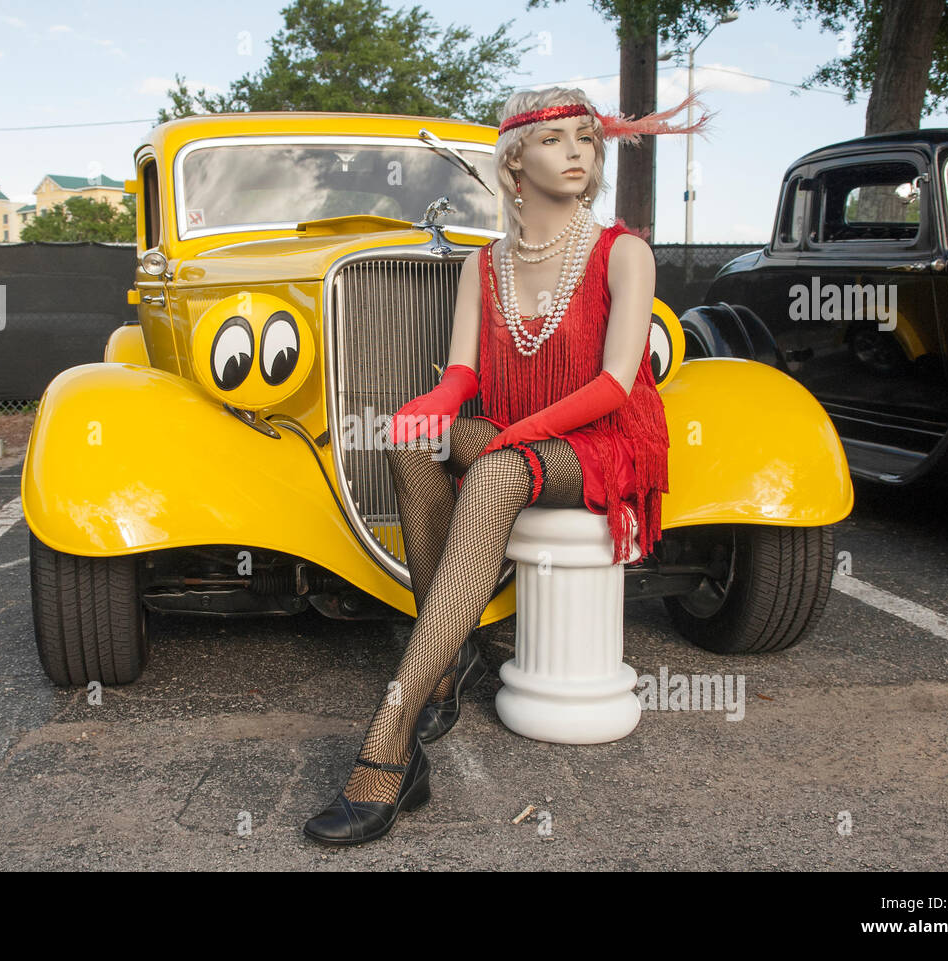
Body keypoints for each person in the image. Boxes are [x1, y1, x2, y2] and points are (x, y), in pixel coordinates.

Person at [303, 85, 713, 845]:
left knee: (493, 470)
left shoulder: (624, 251)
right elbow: (463, 374)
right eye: (556, 140)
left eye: (587, 139)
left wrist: (511, 436)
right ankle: (448, 659)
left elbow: (616, 383)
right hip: (523, 431)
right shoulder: (483, 265)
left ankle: (391, 736)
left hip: (598, 439)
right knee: (411, 442)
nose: (578, 152)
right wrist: (432, 403)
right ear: (515, 162)